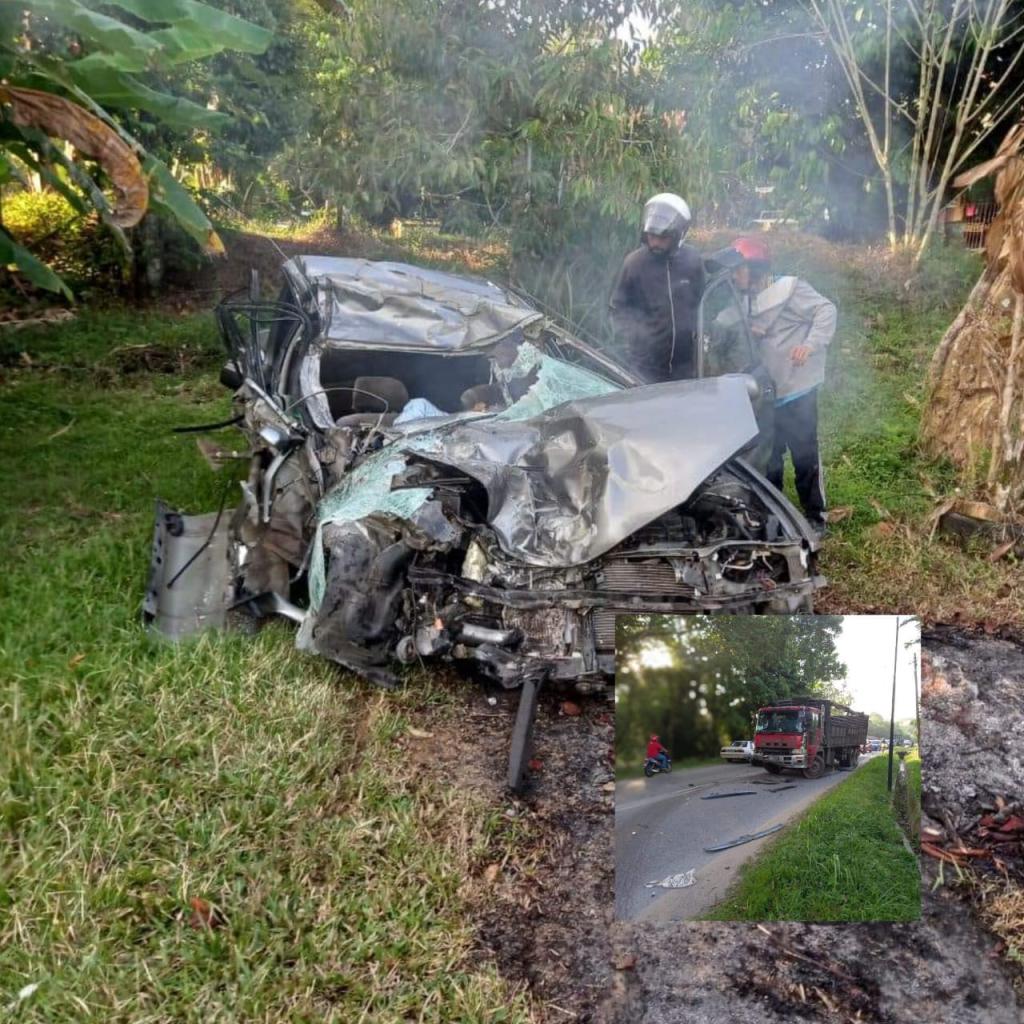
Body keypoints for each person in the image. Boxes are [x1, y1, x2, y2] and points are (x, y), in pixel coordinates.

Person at [729, 236, 836, 535]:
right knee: (769, 458)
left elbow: (826, 310)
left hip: (797, 389)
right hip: (766, 394)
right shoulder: (745, 299)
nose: (735, 276)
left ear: (755, 268)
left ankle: (816, 516)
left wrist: (810, 344)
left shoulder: (790, 288)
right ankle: (774, 515)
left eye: (739, 270)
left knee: (804, 455)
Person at [609, 193, 705, 382]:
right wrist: (635, 337)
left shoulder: (693, 261)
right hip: (645, 367)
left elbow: (701, 301)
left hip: (685, 365)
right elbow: (617, 309)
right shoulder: (634, 264)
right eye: (651, 236)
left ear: (679, 234)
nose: (655, 243)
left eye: (663, 238)